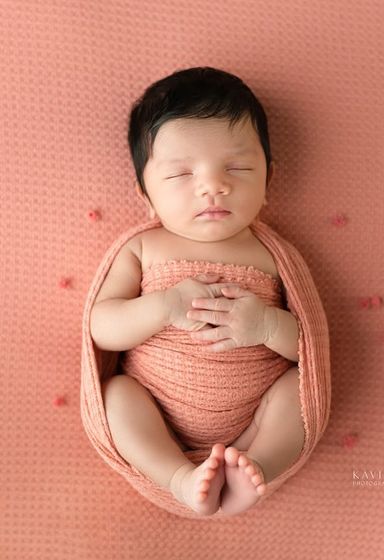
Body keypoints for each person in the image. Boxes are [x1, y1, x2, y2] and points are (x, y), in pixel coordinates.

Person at [89, 67, 305, 517]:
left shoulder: (273, 255)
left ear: (268, 180)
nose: (213, 185)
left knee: (301, 390)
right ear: (145, 194)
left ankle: (256, 465)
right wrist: (163, 307)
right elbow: (102, 327)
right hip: (156, 411)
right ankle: (177, 477)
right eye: (181, 174)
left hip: (255, 420)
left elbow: (308, 349)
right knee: (116, 396)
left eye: (238, 167)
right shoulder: (143, 248)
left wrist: (267, 325)